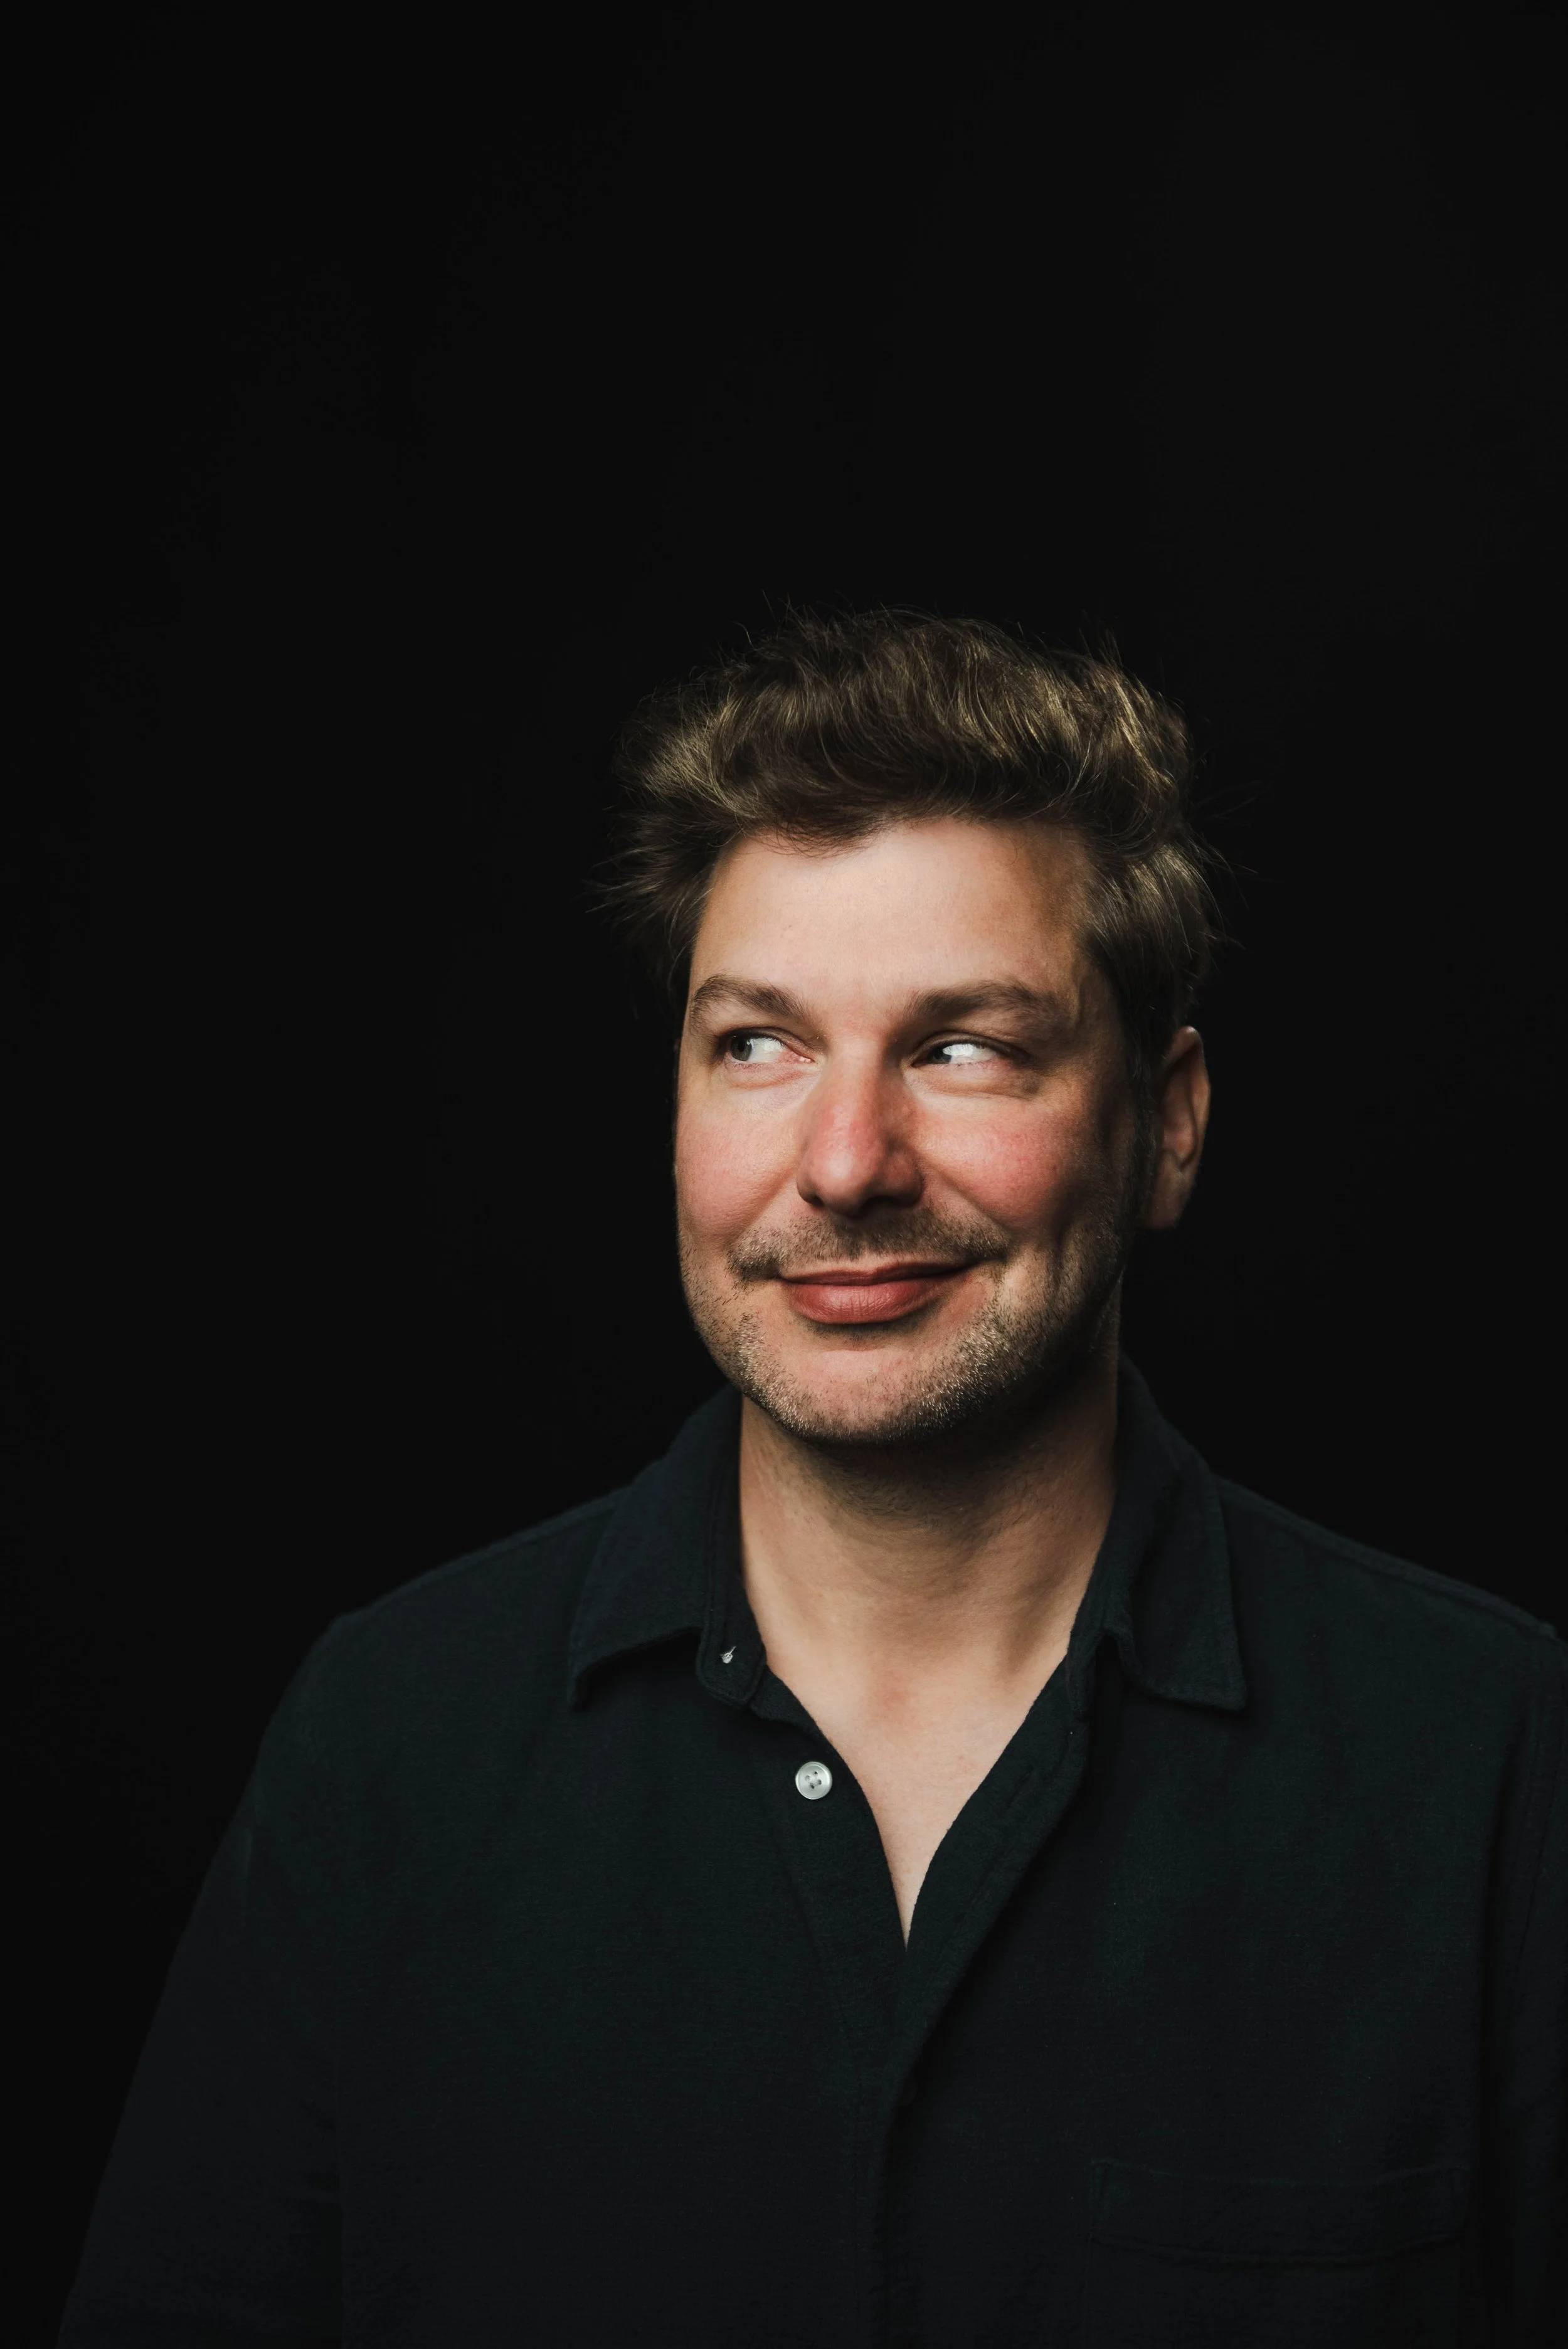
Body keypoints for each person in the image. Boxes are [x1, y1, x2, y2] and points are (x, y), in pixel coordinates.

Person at [61, 611, 1565, 2345]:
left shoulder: (1490, 1759)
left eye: (962, 1047)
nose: (846, 1165)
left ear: (1165, 1125)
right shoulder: (387, 1740)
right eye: (758, 1046)